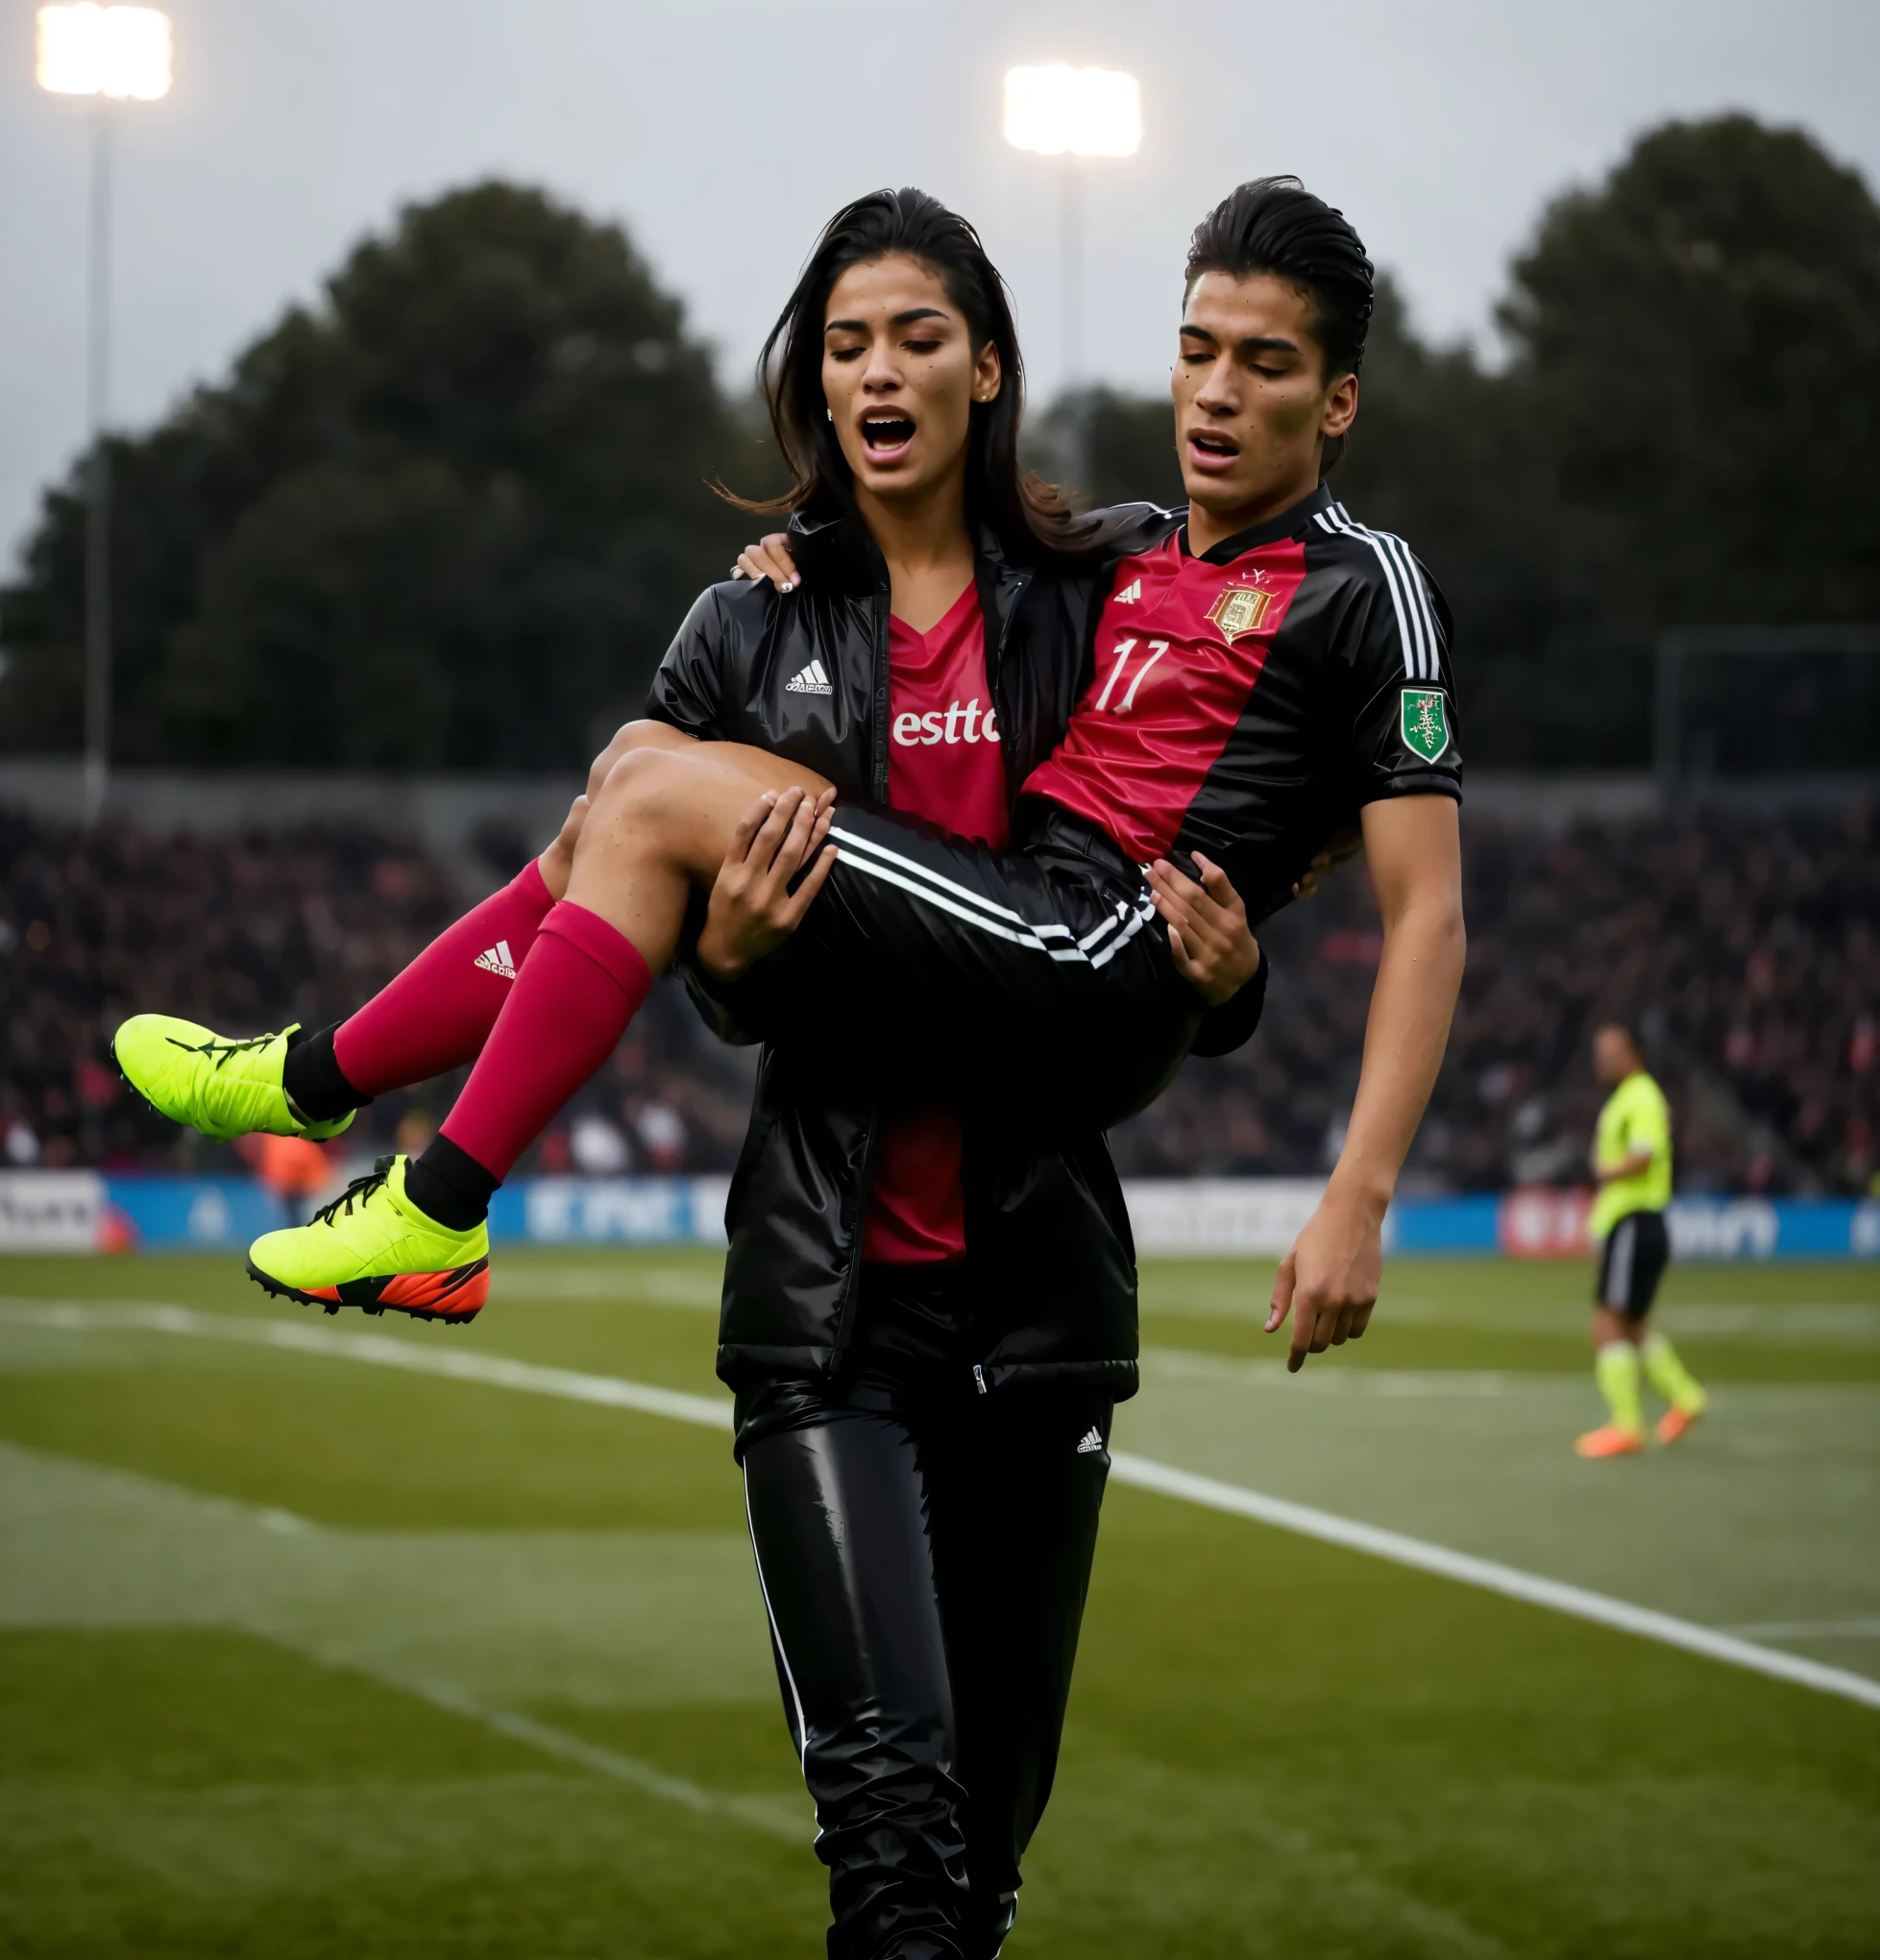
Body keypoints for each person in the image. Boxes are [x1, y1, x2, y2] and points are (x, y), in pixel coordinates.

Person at [116, 186, 1267, 1960]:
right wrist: (729, 973)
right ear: (813, 384)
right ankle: (375, 1135)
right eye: (844, 342)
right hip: (830, 1316)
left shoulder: (1104, 593)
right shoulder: (749, 626)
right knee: (888, 1839)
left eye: (915, 334)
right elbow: (651, 944)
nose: (877, 367)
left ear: (992, 368)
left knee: (979, 1869)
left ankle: (329, 1084)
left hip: (1037, 1309)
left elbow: (1155, 914)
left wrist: (1236, 985)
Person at [1575, 1022, 1707, 1458]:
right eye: (1599, 1053)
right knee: (1633, 1325)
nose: (1603, 1061)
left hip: (1634, 1220)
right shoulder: (1629, 1097)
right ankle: (1686, 1397)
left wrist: (1604, 1170)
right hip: (1637, 1222)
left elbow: (1645, 1152)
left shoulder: (1641, 1096)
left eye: (1611, 1052)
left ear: (1634, 1053)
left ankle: (1626, 1424)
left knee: (1608, 1323)